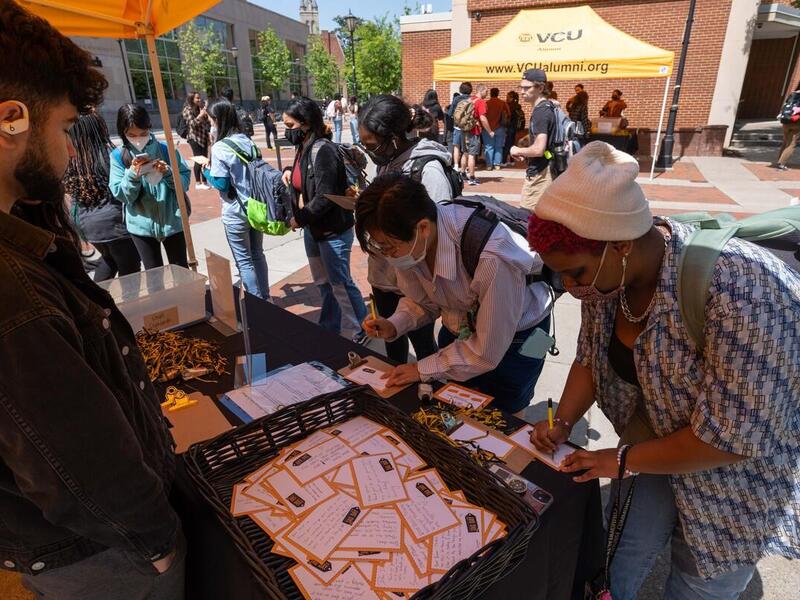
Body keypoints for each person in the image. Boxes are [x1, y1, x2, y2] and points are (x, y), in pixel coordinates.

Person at [526, 141, 799, 600]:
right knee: (617, 556)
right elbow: (590, 357)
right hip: (653, 448)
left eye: (575, 273)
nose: (570, 290)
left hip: (733, 484)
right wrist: (564, 421)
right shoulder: (607, 284)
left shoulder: (741, 289)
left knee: (698, 583)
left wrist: (618, 459)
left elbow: (731, 438)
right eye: (561, 279)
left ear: (623, 244)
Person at [0, 2, 184, 598]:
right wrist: (157, 542)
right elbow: (78, 464)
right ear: (11, 119)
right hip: (99, 553)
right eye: (61, 128)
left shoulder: (21, 241)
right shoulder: (11, 291)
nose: (69, 150)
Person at [357, 173, 553, 414]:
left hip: (519, 336)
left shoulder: (492, 256)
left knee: (506, 414)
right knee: (457, 404)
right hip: (461, 327)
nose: (388, 254)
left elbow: (485, 352)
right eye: (380, 246)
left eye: (389, 246)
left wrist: (420, 368)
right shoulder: (414, 244)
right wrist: (394, 324)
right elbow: (423, 301)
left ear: (423, 228)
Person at [357, 94, 454, 363]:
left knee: (424, 346)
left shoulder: (429, 169)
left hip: (413, 277)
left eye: (372, 145)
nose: (368, 151)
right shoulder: (388, 162)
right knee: (392, 338)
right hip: (385, 276)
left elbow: (438, 232)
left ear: (395, 137)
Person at [281, 96, 368, 341]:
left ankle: (363, 329)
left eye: (290, 126)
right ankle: (331, 326)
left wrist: (300, 218)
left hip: (332, 230)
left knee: (340, 283)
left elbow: (326, 196)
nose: (287, 132)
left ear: (306, 124)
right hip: (313, 228)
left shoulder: (323, 149)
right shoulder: (303, 146)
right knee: (323, 282)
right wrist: (289, 172)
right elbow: (304, 177)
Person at [199, 98, 271, 300]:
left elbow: (222, 184)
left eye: (211, 120)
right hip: (256, 208)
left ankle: (257, 302)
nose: (210, 125)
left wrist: (207, 172)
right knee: (258, 254)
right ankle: (266, 298)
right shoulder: (246, 140)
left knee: (244, 261)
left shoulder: (220, 147)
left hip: (235, 212)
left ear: (217, 120)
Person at [109, 104, 191, 269]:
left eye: (144, 133)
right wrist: (132, 174)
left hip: (173, 222)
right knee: (154, 276)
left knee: (181, 270)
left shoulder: (165, 149)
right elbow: (122, 195)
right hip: (141, 227)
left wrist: (167, 172)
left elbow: (184, 182)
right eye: (132, 135)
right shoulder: (118, 156)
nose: (138, 139)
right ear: (122, 132)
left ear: (149, 127)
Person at [65, 112, 140, 281]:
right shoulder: (110, 155)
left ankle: (99, 301)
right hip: (114, 223)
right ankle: (127, 305)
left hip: (86, 225)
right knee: (130, 270)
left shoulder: (71, 158)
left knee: (109, 260)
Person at [510, 68, 556, 211]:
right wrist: (526, 142)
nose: (522, 91)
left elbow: (538, 149)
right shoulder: (548, 106)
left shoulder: (541, 112)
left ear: (541, 88)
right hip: (547, 168)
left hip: (541, 173)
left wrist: (517, 149)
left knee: (526, 216)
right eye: (521, 87)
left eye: (527, 87)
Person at [182, 91, 211, 190]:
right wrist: (201, 115)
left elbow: (207, 123)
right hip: (194, 138)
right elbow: (192, 124)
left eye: (199, 98)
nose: (199, 100)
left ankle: (205, 181)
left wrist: (206, 114)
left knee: (205, 159)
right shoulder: (187, 109)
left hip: (203, 137)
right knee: (198, 159)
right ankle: (198, 183)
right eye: (197, 98)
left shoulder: (200, 109)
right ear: (192, 99)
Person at [447, 82, 473, 179]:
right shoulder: (472, 99)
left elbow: (450, 113)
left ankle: (456, 166)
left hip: (457, 127)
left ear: (461, 89)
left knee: (456, 146)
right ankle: (464, 168)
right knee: (466, 149)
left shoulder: (456, 99)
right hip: (469, 128)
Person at [775, 84, 800, 171]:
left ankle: (779, 162)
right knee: (791, 144)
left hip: (786, 121)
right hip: (796, 123)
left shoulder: (793, 94)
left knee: (785, 142)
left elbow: (785, 105)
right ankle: (781, 164)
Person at [467, 84, 489, 183]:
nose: (487, 93)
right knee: (472, 154)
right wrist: (490, 131)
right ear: (481, 91)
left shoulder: (470, 99)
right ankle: (471, 178)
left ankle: (465, 174)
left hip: (466, 130)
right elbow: (483, 119)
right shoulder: (480, 102)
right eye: (486, 91)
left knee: (467, 153)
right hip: (474, 130)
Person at [484, 87, 510, 171]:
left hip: (487, 128)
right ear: (498, 93)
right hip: (500, 127)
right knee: (499, 147)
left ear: (490, 93)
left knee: (489, 147)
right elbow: (509, 114)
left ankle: (489, 165)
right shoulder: (502, 103)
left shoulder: (486, 103)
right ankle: (497, 164)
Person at [503, 90, 525, 166]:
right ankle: (512, 160)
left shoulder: (510, 107)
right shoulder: (518, 106)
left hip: (509, 128)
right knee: (512, 144)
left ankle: (504, 161)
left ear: (512, 98)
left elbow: (507, 118)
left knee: (506, 144)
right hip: (515, 129)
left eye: (508, 97)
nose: (506, 98)